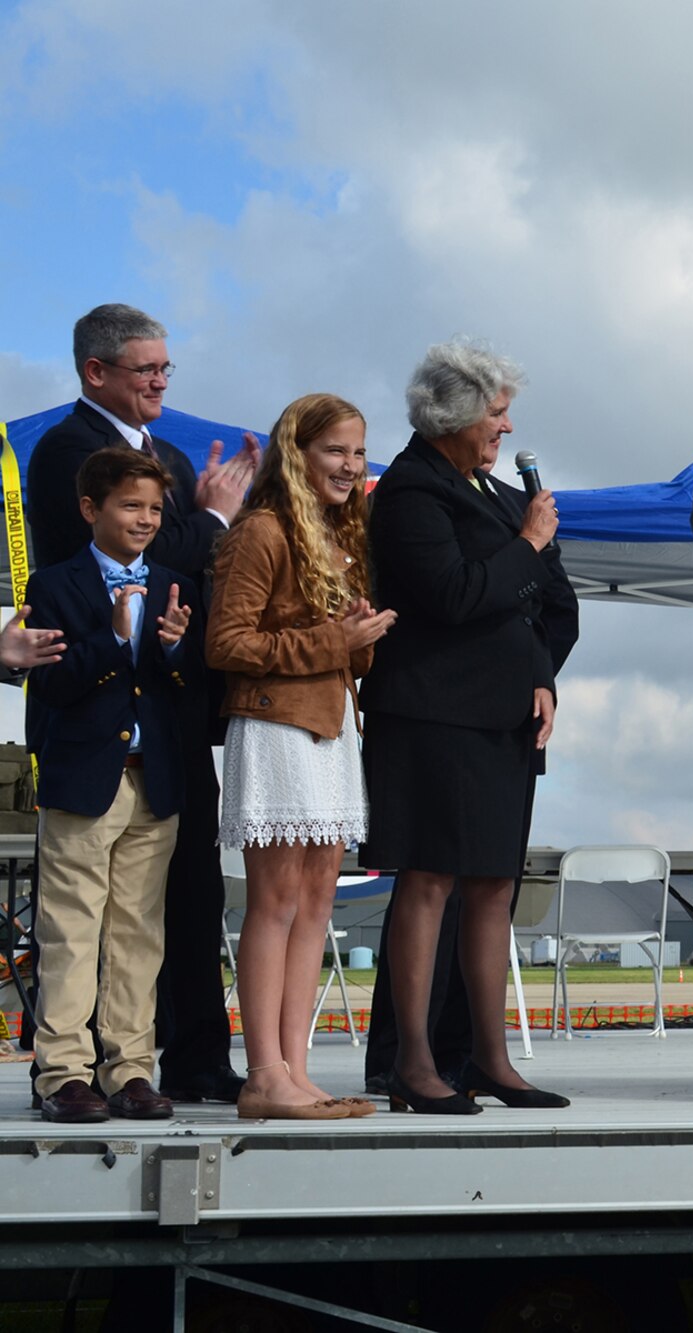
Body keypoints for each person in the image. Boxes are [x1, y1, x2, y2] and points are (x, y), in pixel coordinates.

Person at [24, 302, 260, 1106]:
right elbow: (159, 554)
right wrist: (216, 519)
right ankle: (66, 1068)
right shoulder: (67, 452)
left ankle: (148, 1062)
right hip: (91, 741)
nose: (161, 379)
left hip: (162, 739)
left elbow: (176, 571)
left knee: (158, 916)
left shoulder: (160, 457)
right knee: (75, 923)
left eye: (166, 367)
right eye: (145, 368)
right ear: (96, 372)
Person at [360, 340, 577, 1114]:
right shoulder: (414, 491)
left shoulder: (485, 489)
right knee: (428, 882)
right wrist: (527, 543)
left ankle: (490, 1056)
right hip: (431, 716)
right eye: (496, 411)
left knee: (493, 884)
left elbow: (548, 603)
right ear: (453, 415)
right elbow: (455, 595)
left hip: (502, 717)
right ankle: (414, 1062)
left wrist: (542, 675)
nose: (507, 427)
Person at [208, 394, 396, 1120]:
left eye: (357, 451)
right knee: (278, 900)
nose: (350, 465)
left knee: (317, 901)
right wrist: (334, 642)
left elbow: (345, 655)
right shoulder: (261, 531)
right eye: (335, 451)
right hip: (277, 728)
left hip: (329, 727)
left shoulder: (335, 533)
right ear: (298, 451)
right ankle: (263, 1073)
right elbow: (226, 643)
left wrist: (359, 636)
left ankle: (297, 1070)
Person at [24, 448, 199, 1122]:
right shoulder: (54, 582)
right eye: (131, 505)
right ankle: (62, 1072)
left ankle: (129, 1067)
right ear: (90, 508)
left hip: (152, 780)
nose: (145, 518)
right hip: (81, 778)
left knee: (137, 932)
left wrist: (178, 647)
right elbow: (54, 679)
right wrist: (114, 636)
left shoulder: (174, 583)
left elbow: (188, 687)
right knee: (70, 929)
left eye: (155, 508)